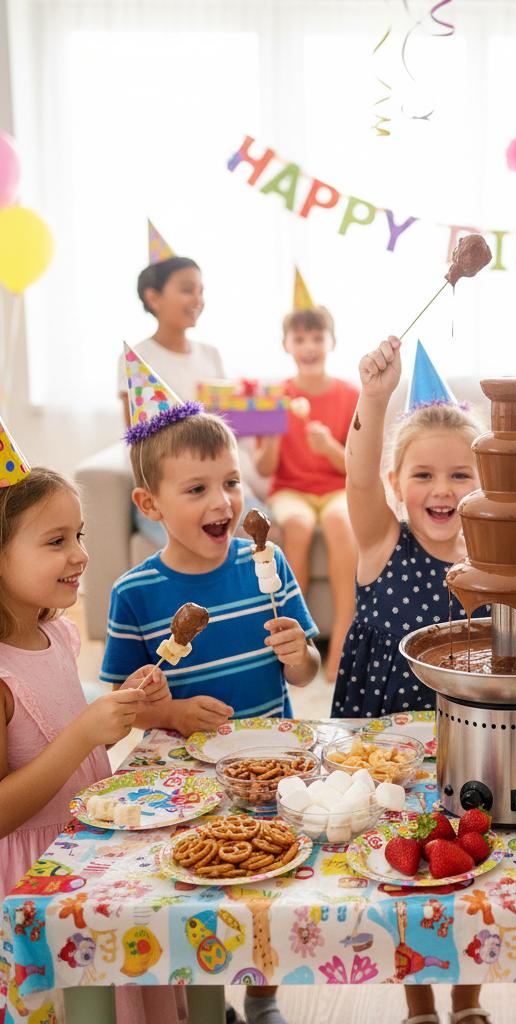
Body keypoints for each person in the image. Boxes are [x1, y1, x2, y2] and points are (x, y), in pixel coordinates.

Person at [102, 358, 319, 1024]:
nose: (223, 502)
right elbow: (118, 708)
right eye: (196, 489)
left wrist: (300, 654)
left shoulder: (269, 564)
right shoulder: (135, 594)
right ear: (150, 505)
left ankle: (260, 995)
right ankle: (202, 997)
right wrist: (167, 708)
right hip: (181, 776)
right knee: (198, 888)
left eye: (229, 482)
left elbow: (309, 670)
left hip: (271, 765)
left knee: (266, 884)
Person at [331, 336, 489, 1024]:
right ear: (398, 486)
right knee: (407, 866)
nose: (444, 490)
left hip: (472, 738)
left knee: (475, 862)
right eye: (423, 475)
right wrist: (374, 397)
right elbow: (356, 480)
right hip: (388, 742)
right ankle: (419, 1001)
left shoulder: (493, 552)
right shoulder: (380, 541)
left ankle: (467, 999)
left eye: (462, 475)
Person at [0, 450, 180, 1023]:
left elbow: (62, 745)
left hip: (92, 850)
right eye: (55, 542)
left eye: (77, 535)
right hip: (36, 876)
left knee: (127, 992)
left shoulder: (59, 637)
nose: (80, 554)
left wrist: (118, 712)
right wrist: (84, 733)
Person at [119, 252, 267, 544]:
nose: (198, 299)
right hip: (175, 483)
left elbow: (226, 426)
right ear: (154, 297)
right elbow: (137, 439)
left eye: (201, 291)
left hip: (215, 476)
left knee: (265, 531)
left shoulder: (210, 354)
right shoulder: (138, 358)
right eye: (187, 289)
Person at [255, 303, 359, 679]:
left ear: (332, 341)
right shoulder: (274, 395)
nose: (309, 345)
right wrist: (276, 436)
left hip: (335, 489)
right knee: (295, 527)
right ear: (286, 345)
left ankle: (344, 642)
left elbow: (354, 467)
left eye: (317, 337)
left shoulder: (349, 395)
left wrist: (330, 446)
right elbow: (265, 469)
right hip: (290, 491)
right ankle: (297, 639)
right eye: (300, 338)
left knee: (339, 524)